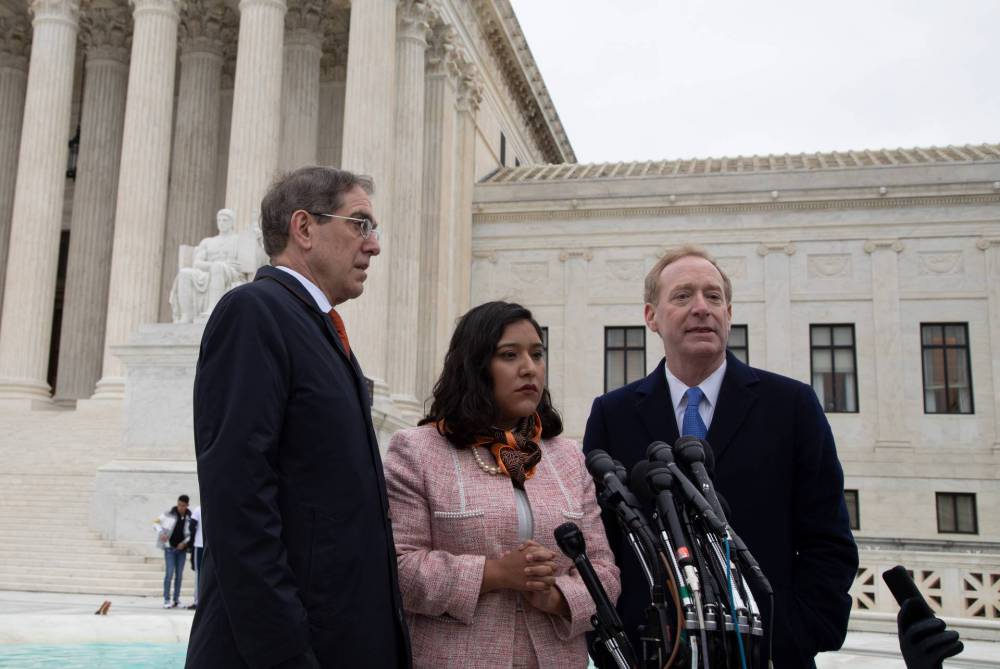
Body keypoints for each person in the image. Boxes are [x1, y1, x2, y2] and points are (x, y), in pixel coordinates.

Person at [583, 245, 858, 668]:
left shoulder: (792, 405)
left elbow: (829, 542)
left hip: (770, 653)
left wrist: (790, 636)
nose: (701, 308)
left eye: (713, 297)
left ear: (729, 313)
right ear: (651, 316)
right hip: (654, 653)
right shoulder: (612, 414)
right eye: (682, 296)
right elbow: (604, 546)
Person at [186, 167, 411, 669]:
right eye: (360, 224)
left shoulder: (319, 329)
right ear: (304, 228)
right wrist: (286, 656)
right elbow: (240, 506)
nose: (373, 245)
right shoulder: (253, 312)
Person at [384, 301, 620, 669]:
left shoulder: (567, 458)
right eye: (510, 355)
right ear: (476, 367)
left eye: (538, 354)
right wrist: (494, 574)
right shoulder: (418, 451)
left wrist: (557, 596)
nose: (530, 368)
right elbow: (398, 570)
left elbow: (604, 571)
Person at [171, 208, 248, 323]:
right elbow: (197, 263)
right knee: (184, 273)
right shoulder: (207, 242)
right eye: (219, 220)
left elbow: (244, 264)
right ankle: (186, 315)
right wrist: (212, 266)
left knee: (218, 267)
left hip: (231, 273)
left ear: (232, 222)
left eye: (225, 220)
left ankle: (212, 309)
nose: (221, 223)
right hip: (207, 272)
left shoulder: (239, 240)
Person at [154, 494, 196, 609]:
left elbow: (191, 533)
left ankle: (176, 600)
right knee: (169, 574)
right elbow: (156, 522)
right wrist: (161, 533)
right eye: (179, 505)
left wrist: (185, 543)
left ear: (187, 505)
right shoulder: (169, 514)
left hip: (181, 550)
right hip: (169, 549)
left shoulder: (189, 517)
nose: (180, 507)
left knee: (179, 575)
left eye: (183, 505)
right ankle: (166, 600)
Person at [188, 504, 203, 610]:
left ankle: (198, 601)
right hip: (210, 546)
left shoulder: (198, 509)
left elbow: (191, 527)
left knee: (198, 574)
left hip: (199, 545)